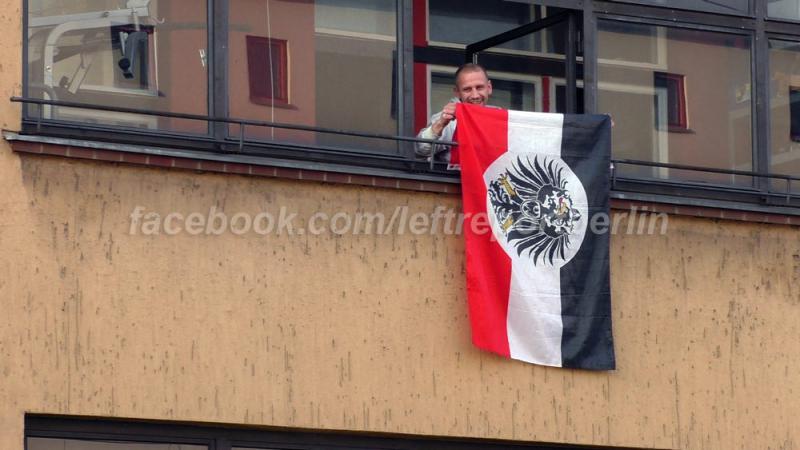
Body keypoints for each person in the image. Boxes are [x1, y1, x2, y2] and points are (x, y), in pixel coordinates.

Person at [416, 63, 493, 166]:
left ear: (489, 88)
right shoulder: (447, 119)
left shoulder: (499, 116)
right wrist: (440, 124)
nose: (475, 95)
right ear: (457, 92)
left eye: (479, 88)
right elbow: (420, 150)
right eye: (467, 89)